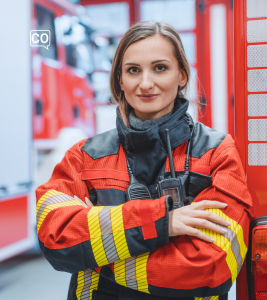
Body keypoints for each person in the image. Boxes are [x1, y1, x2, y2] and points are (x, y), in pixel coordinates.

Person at [36, 21, 252, 300]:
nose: (145, 83)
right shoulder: (84, 156)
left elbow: (210, 266)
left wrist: (96, 249)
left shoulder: (217, 152)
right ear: (120, 80)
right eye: (133, 70)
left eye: (160, 68)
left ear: (182, 75)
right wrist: (164, 223)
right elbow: (57, 239)